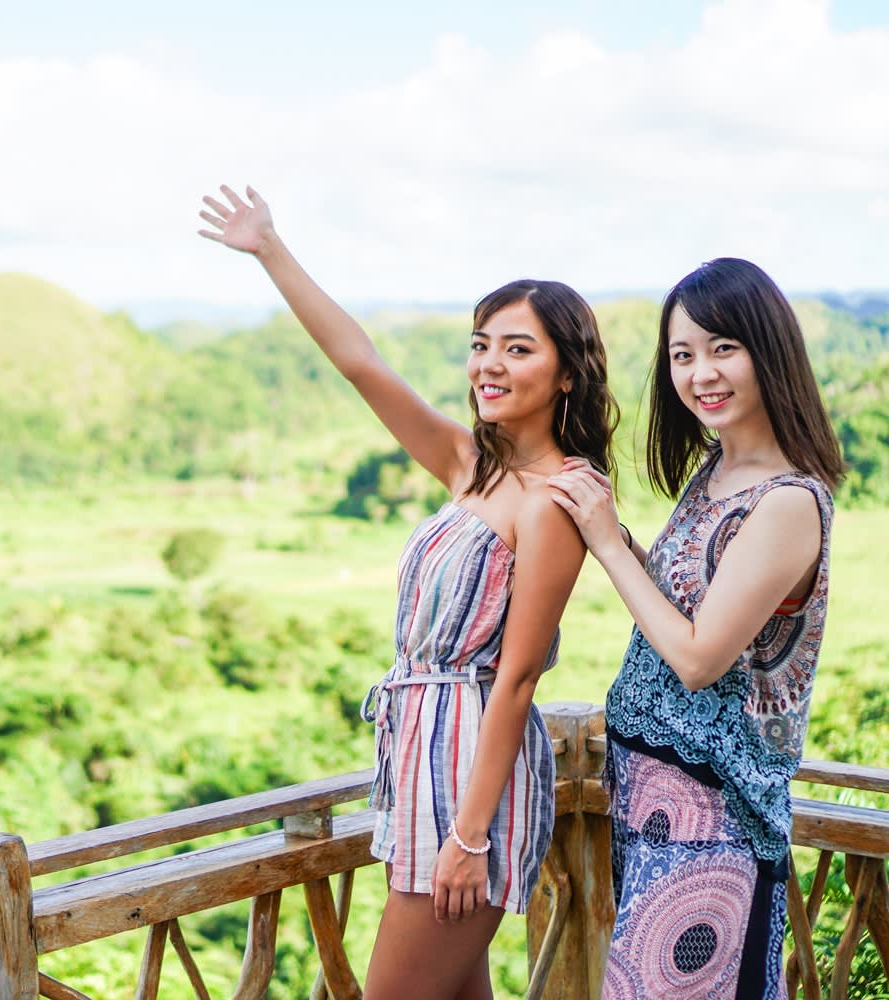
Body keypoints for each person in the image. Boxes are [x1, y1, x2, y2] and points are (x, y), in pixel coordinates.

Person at [198, 184, 619, 998]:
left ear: (567, 373)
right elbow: (360, 363)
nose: (489, 365)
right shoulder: (472, 465)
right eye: (479, 344)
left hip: (470, 779)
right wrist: (270, 248)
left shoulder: (559, 498)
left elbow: (520, 675)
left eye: (518, 349)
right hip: (415, 755)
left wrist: (468, 833)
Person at [547, 257, 843, 999]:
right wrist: (607, 531)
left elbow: (698, 658)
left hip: (711, 822)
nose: (699, 372)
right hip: (653, 809)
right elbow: (684, 609)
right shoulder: (714, 472)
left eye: (721, 348)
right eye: (681, 355)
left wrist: (609, 544)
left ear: (766, 352)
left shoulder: (785, 502)